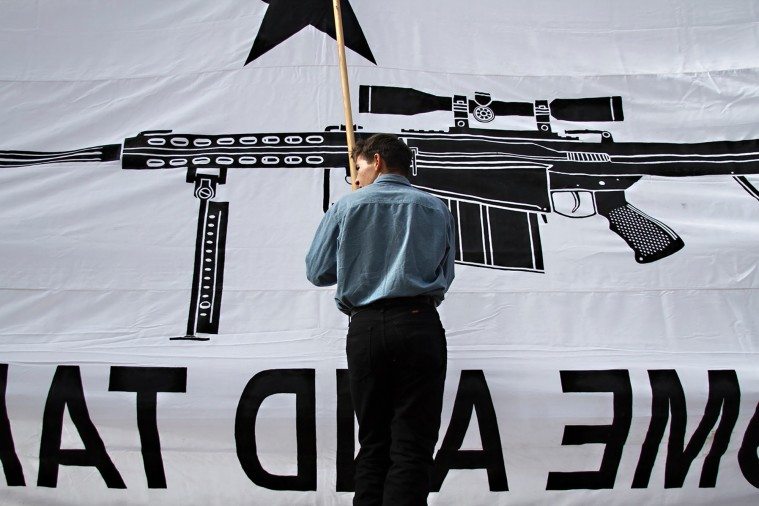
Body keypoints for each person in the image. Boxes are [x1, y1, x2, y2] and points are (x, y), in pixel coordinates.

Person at [306, 133, 455, 505]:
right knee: (413, 445)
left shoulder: (347, 206)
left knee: (373, 442)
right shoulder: (436, 208)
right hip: (419, 323)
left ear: (377, 161)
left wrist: (359, 257)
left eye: (357, 168)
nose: (354, 178)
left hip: (367, 328)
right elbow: (445, 274)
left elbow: (317, 271)